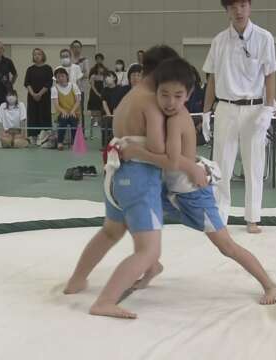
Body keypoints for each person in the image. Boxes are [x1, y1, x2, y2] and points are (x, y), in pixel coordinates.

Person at [120, 57, 276, 304]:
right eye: (164, 94)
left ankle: (270, 285)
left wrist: (135, 152)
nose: (170, 102)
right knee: (136, 215)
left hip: (193, 193)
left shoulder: (177, 118)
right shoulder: (161, 113)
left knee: (226, 246)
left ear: (189, 95)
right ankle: (151, 265)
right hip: (171, 189)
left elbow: (172, 161)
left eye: (177, 96)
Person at [63, 46, 206, 319]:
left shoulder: (132, 94)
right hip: (138, 178)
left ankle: (77, 280)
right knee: (149, 250)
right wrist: (190, 164)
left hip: (114, 174)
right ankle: (105, 300)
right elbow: (157, 150)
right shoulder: (151, 102)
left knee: (110, 232)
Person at [202, 0, 276, 234]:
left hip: (254, 109)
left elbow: (270, 75)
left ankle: (253, 218)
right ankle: (219, 216)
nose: (239, 11)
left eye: (243, 5)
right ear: (227, 10)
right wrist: (206, 112)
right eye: (233, 6)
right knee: (221, 165)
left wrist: (268, 108)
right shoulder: (219, 41)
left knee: (254, 165)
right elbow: (212, 79)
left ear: (250, 7)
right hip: (225, 107)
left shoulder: (264, 38)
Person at [24, 48, 53, 144]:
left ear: (43, 56)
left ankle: (44, 136)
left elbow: (49, 83)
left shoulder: (48, 68)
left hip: (44, 96)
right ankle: (33, 136)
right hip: (32, 97)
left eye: (39, 54)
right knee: (33, 115)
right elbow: (27, 83)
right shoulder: (30, 69)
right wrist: (33, 94)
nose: (37, 56)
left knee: (44, 114)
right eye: (35, 54)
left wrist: (40, 94)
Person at [51, 67, 81, 151]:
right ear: (56, 78)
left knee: (73, 120)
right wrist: (63, 111)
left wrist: (72, 111)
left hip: (74, 111)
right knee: (63, 120)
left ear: (66, 76)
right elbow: (56, 105)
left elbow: (78, 101)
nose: (60, 78)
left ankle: (74, 143)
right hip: (61, 112)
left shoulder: (73, 86)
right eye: (58, 77)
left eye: (62, 76)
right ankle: (60, 142)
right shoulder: (54, 89)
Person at [101, 71, 123, 148]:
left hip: (118, 113)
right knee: (105, 123)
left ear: (114, 78)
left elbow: (121, 102)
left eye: (109, 76)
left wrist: (116, 113)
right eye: (105, 77)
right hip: (107, 113)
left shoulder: (120, 89)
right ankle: (105, 144)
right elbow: (104, 103)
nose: (107, 78)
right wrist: (109, 114)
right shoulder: (104, 90)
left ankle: (116, 142)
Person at [70, 41, 90, 119]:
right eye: (74, 47)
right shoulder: (69, 60)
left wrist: (76, 76)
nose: (76, 49)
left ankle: (81, 129)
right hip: (69, 89)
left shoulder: (84, 60)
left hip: (80, 89)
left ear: (81, 48)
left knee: (80, 109)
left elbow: (87, 74)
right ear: (71, 48)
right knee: (70, 108)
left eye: (78, 47)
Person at [88, 63, 107, 130]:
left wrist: (103, 93)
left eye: (101, 68)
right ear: (96, 69)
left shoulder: (104, 76)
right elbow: (92, 86)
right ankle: (94, 121)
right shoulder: (93, 76)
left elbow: (105, 85)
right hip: (94, 93)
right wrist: (97, 94)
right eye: (99, 68)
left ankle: (100, 121)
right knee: (94, 107)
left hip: (102, 92)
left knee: (100, 107)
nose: (100, 69)